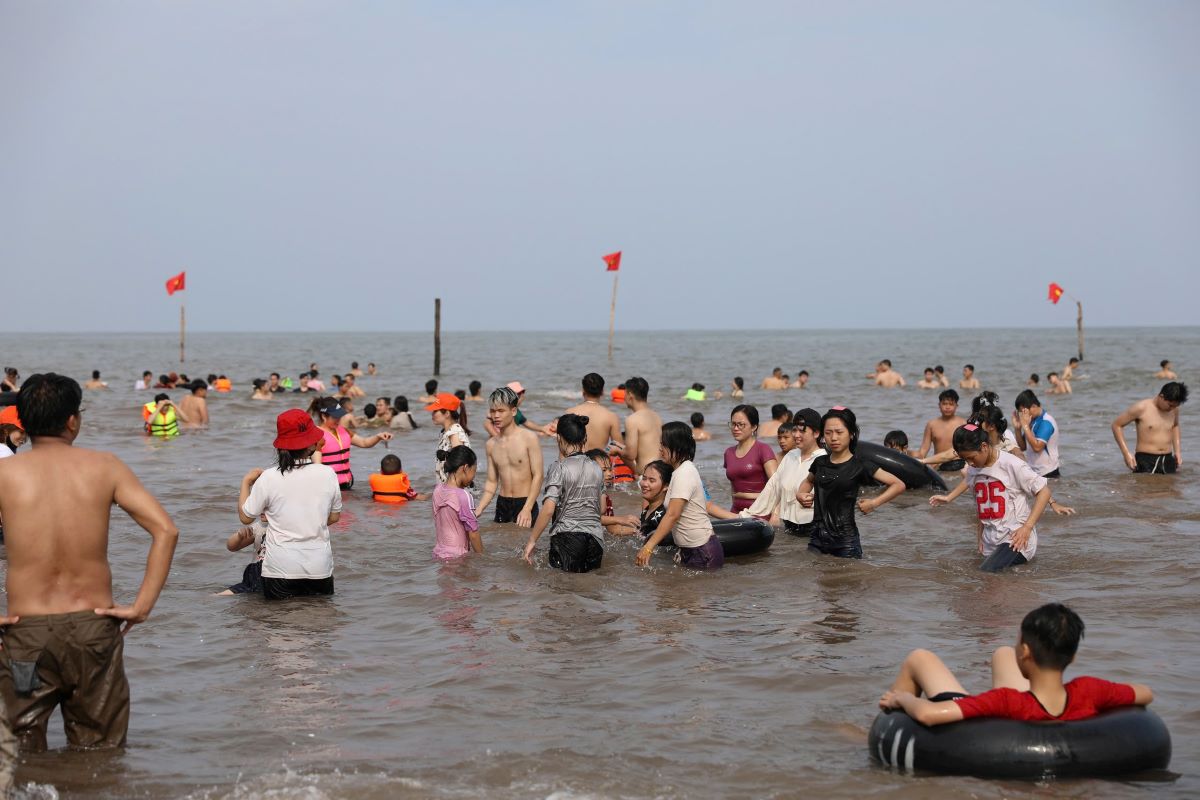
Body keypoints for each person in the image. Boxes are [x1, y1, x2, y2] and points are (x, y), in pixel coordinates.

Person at [0, 373, 178, 756]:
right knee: (101, 753)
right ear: (72, 421)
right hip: (93, 630)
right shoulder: (105, 466)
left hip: (25, 638)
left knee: (20, 752)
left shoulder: (4, 473)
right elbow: (166, 530)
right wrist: (141, 606)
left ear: (24, 424)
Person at [879, 604, 1153, 726]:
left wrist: (902, 699)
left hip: (1003, 718)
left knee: (920, 658)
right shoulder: (1090, 690)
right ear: (1073, 657)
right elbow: (1144, 692)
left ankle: (874, 731)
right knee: (1001, 653)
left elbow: (928, 715)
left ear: (1025, 652)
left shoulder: (1006, 702)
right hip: (1047, 702)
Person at [240, 408, 341, 600]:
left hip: (280, 569)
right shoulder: (327, 474)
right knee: (320, 625)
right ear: (312, 444)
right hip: (319, 567)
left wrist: (246, 482)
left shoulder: (269, 477)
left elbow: (246, 517)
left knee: (280, 626)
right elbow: (334, 517)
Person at [796, 407, 906, 558]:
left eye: (839, 432)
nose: (833, 438)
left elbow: (898, 484)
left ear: (852, 434)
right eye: (828, 433)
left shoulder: (860, 465)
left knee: (848, 579)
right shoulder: (820, 462)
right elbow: (808, 482)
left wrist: (874, 503)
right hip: (817, 539)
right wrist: (800, 494)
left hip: (846, 542)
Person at [948, 424, 1051, 571]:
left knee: (986, 573)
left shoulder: (1012, 464)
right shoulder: (973, 470)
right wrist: (980, 541)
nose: (970, 463)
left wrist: (1027, 528)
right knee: (989, 585)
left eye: (971, 458)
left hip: (1016, 539)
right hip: (990, 541)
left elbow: (1044, 492)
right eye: (965, 459)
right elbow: (980, 508)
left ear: (984, 446)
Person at [522, 414, 606, 572]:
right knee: (589, 590)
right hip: (596, 540)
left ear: (559, 438)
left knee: (563, 591)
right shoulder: (596, 468)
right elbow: (601, 509)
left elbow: (548, 510)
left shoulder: (559, 467)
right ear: (584, 438)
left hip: (567, 538)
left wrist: (532, 540)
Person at [636, 422, 723, 570]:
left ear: (676, 446)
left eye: (663, 445)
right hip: (691, 549)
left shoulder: (685, 473)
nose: (660, 449)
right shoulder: (678, 472)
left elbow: (672, 515)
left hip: (702, 551)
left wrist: (648, 547)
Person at [733, 408, 825, 535]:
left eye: (802, 431)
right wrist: (746, 516)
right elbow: (772, 488)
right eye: (795, 430)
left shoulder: (824, 459)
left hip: (816, 530)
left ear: (816, 433)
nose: (796, 435)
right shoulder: (790, 456)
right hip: (789, 528)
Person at [476, 387, 542, 526]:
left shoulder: (529, 438)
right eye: (493, 411)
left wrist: (527, 508)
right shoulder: (491, 444)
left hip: (525, 502)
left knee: (524, 544)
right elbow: (492, 482)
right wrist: (479, 508)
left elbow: (538, 476)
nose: (496, 416)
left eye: (501, 411)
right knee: (501, 545)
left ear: (513, 411)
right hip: (502, 503)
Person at [314, 396, 392, 490]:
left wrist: (378, 437)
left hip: (347, 484)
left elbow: (364, 443)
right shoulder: (317, 436)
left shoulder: (344, 431)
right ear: (323, 416)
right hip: (330, 487)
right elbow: (317, 468)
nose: (338, 419)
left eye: (339, 416)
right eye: (335, 417)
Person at [1111, 382, 1187, 474]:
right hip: (1146, 460)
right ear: (1161, 396)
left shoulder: (1174, 410)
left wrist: (1177, 452)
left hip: (1168, 459)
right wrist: (1126, 453)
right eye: (1170, 405)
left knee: (1170, 488)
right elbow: (1116, 425)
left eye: (1176, 406)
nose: (1172, 408)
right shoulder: (1141, 408)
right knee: (1146, 488)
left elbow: (1175, 426)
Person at [548, 373, 625, 452]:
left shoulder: (569, 412)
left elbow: (562, 444)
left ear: (583, 391)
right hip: (598, 462)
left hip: (575, 462)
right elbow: (618, 447)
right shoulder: (611, 416)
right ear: (602, 392)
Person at [723, 404, 779, 513]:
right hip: (736, 511)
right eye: (733, 424)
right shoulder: (728, 452)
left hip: (761, 510)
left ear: (754, 427)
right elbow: (733, 487)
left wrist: (775, 514)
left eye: (741, 425)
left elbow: (777, 487)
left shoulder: (763, 449)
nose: (735, 428)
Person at [432, 446, 482, 559]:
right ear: (465, 468)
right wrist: (482, 558)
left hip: (438, 554)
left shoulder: (437, 490)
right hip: (458, 557)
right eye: (474, 471)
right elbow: (473, 534)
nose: (473, 477)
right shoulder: (464, 496)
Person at [608, 377, 662, 477]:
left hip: (647, 476)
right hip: (659, 473)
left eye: (625, 394)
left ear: (630, 395)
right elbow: (646, 447)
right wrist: (620, 446)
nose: (624, 398)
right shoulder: (656, 416)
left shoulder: (632, 420)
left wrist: (617, 450)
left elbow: (630, 454)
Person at [586, 449, 639, 535]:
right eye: (604, 470)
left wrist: (637, 532)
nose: (609, 474)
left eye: (610, 470)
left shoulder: (606, 498)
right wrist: (621, 519)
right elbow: (588, 518)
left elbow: (613, 529)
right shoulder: (583, 494)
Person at [1012, 390, 1060, 478]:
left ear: (1034, 406)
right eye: (1021, 412)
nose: (1022, 415)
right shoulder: (1032, 421)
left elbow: (1037, 447)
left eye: (1024, 411)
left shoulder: (1046, 422)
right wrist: (1017, 429)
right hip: (1035, 473)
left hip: (1049, 473)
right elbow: (1023, 447)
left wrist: (1025, 426)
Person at [917, 389, 968, 472]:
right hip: (939, 466)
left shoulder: (963, 424)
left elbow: (968, 450)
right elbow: (922, 452)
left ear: (956, 406)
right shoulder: (931, 425)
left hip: (959, 465)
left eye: (951, 404)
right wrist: (905, 452)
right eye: (944, 404)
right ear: (939, 405)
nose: (947, 407)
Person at [216, 517, 268, 596]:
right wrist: (239, 536)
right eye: (261, 506)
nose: (263, 509)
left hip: (276, 573)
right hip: (255, 575)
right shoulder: (261, 526)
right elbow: (232, 547)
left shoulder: (288, 528)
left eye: (269, 506)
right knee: (219, 595)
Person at [426, 393, 470, 484]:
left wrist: (451, 491)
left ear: (446, 413)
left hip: (455, 489)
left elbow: (460, 465)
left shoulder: (454, 433)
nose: (432, 414)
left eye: (435, 411)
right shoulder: (445, 432)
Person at [632, 460, 673, 540]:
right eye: (644, 478)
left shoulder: (664, 516)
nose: (644, 484)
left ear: (666, 486)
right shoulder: (646, 510)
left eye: (651, 480)